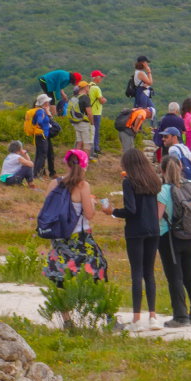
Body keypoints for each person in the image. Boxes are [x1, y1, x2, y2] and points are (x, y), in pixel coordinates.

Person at [43, 149, 108, 329]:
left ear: (65, 163)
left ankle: (67, 320)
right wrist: (92, 204)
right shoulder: (82, 186)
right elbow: (89, 214)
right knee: (97, 270)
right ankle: (107, 315)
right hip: (80, 236)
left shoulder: (53, 183)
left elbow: (48, 209)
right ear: (84, 165)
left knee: (61, 276)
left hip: (59, 238)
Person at [102, 149, 162, 332]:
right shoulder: (153, 180)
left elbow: (131, 210)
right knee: (149, 273)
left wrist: (112, 211)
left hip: (136, 230)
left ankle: (136, 318)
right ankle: (152, 316)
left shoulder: (129, 182)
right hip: (153, 229)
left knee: (136, 273)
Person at [156, 156, 191, 328]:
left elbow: (158, 217)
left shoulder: (163, 191)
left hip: (170, 239)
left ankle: (180, 316)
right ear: (181, 167)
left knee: (175, 278)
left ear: (162, 171)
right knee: (190, 276)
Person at [30, 94, 55, 179]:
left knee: (39, 155)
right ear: (44, 103)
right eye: (47, 102)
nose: (48, 104)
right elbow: (39, 121)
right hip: (42, 136)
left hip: (40, 136)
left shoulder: (39, 110)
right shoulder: (41, 111)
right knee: (42, 155)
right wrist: (47, 115)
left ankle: (36, 174)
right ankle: (37, 175)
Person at [69, 81, 94, 154]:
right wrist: (92, 123)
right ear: (85, 87)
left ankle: (76, 161)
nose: (89, 88)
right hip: (84, 123)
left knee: (79, 143)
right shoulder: (85, 98)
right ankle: (84, 163)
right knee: (87, 144)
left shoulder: (75, 97)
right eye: (88, 87)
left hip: (76, 123)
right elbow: (89, 112)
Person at [88, 70, 107, 157]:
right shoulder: (96, 88)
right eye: (100, 77)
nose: (101, 79)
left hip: (88, 112)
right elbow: (101, 100)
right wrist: (104, 100)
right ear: (96, 78)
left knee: (89, 131)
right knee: (95, 131)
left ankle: (90, 148)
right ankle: (96, 148)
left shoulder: (88, 86)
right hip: (96, 112)